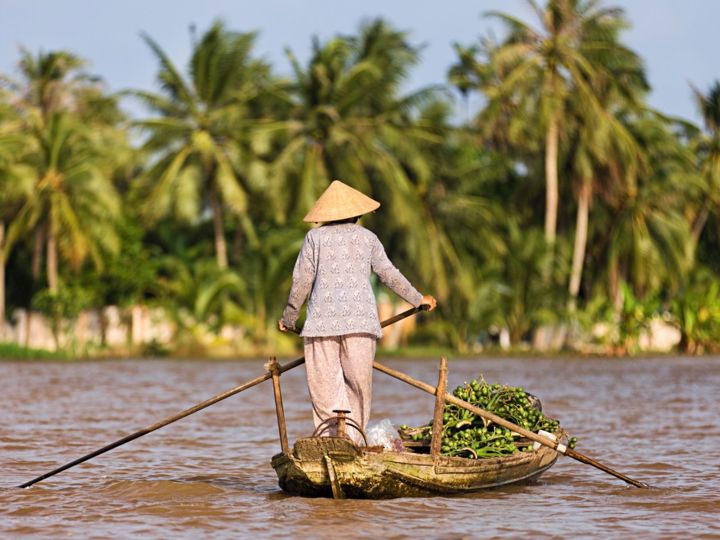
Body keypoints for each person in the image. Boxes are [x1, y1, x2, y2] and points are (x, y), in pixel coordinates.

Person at [278, 180, 436, 444]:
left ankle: (332, 442)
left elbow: (301, 282)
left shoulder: (313, 238)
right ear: (357, 214)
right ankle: (351, 442)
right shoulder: (368, 238)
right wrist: (419, 299)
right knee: (358, 388)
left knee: (325, 390)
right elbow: (389, 274)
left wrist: (289, 318)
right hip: (360, 326)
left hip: (321, 327)